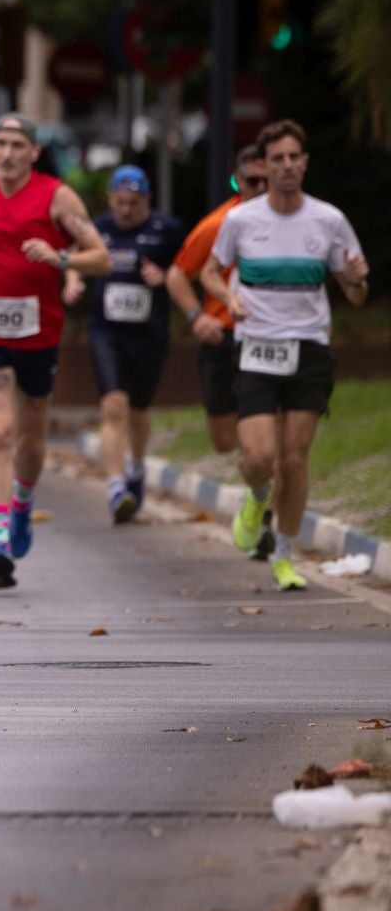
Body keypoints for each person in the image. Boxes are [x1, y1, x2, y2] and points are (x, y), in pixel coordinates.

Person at [0, 115, 108, 590]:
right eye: (0, 143)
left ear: (33, 152)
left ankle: (23, 504)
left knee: (30, 441)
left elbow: (102, 256)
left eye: (17, 145)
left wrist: (61, 258)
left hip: (38, 333)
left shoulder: (57, 196)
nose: (7, 152)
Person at [200, 120, 368, 592]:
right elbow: (210, 273)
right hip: (257, 348)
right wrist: (227, 299)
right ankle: (256, 498)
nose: (287, 166)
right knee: (259, 456)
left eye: (295, 157)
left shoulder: (328, 220)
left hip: (310, 346)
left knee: (294, 460)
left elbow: (355, 293)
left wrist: (356, 278)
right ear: (265, 166)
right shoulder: (241, 221)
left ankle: (284, 556)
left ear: (305, 162)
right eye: (278, 159)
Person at [62, 165, 185, 523]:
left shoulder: (167, 230)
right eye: (119, 203)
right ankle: (116, 486)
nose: (126, 210)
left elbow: (186, 268)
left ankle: (136, 466)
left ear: (147, 200)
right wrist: (72, 281)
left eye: (133, 203)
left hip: (150, 332)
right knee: (113, 404)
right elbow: (74, 255)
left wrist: (163, 277)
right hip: (106, 331)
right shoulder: (99, 228)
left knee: (139, 411)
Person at [168, 145, 268, 455]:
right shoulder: (218, 224)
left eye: (267, 181)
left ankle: (260, 485)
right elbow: (178, 274)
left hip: (268, 335)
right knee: (224, 440)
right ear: (237, 180)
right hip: (223, 335)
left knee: (267, 433)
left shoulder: (293, 220)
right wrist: (197, 317)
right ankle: (253, 467)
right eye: (253, 181)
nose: (262, 189)